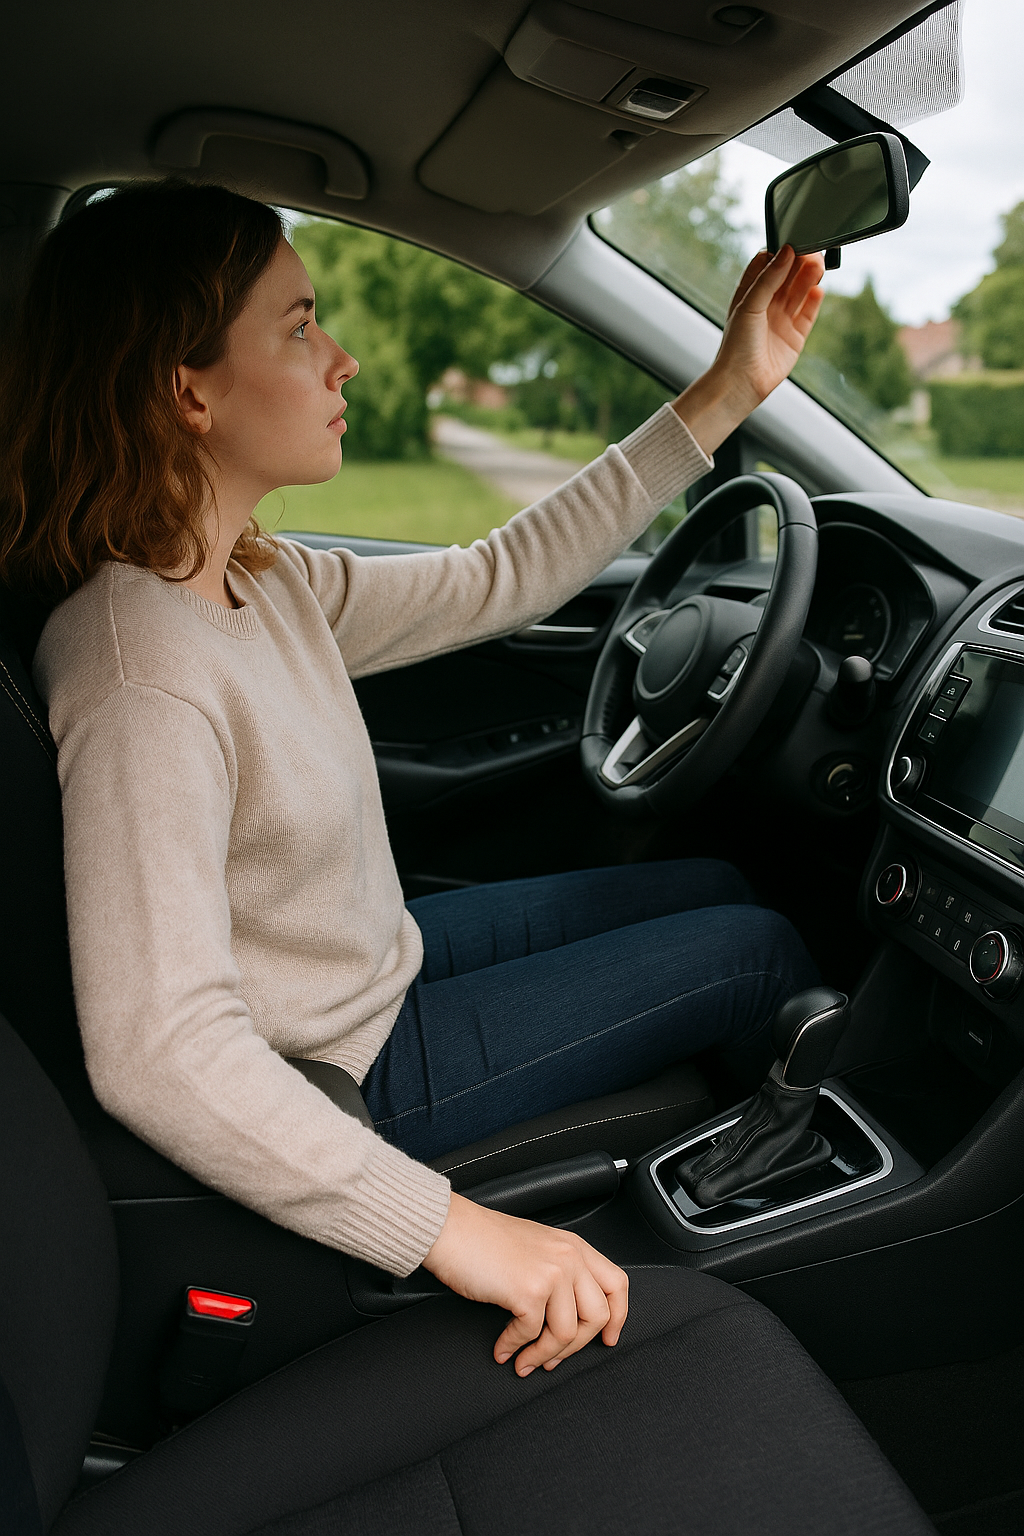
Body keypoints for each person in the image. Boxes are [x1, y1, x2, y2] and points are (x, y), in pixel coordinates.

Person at [0, 182, 824, 1381]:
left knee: (713, 882)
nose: (341, 360)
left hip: (373, 966)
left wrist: (726, 392)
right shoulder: (140, 670)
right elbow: (160, 1048)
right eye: (298, 327)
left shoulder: (254, 578)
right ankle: (808, 1235)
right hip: (338, 1067)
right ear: (189, 392)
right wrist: (453, 1230)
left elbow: (498, 577)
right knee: (756, 950)